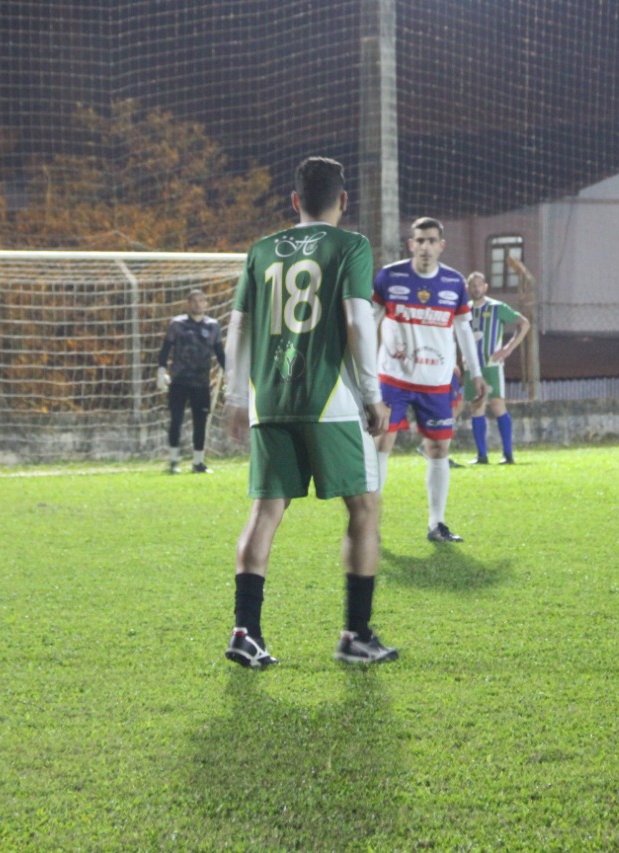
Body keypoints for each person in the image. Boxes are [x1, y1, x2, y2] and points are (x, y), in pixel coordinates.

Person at [222, 156, 395, 668]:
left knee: (265, 512)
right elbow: (359, 323)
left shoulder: (260, 251)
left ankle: (245, 632)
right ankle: (356, 635)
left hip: (270, 401)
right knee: (364, 508)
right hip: (331, 402)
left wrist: (235, 398)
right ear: (344, 201)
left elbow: (238, 327)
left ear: (294, 201)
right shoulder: (351, 245)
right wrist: (372, 394)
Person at [373, 217, 486, 543]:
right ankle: (371, 525)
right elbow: (370, 320)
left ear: (441, 245)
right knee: (381, 445)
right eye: (419, 240)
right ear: (411, 244)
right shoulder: (390, 276)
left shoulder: (453, 283)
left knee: (438, 449)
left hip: (436, 381)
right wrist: (365, 372)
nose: (425, 246)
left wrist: (475, 372)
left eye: (431, 240)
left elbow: (463, 328)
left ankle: (437, 524)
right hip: (392, 379)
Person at [464, 271, 531, 465]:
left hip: (492, 365)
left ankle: (508, 454)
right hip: (472, 367)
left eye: (479, 285)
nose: (476, 288)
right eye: (472, 285)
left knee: (497, 404)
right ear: (468, 289)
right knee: (476, 406)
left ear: (485, 287)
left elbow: (524, 324)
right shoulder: (464, 310)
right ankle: (481, 456)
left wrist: (508, 348)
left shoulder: (496, 307)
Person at [157, 289, 225, 474]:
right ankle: (173, 461)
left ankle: (198, 462)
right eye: (193, 301)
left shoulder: (213, 326)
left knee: (201, 421)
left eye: (201, 301)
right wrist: (161, 370)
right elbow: (165, 349)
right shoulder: (177, 324)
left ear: (206, 304)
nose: (197, 304)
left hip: (201, 382)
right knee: (176, 420)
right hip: (179, 381)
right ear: (187, 304)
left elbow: (220, 353)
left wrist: (229, 374)